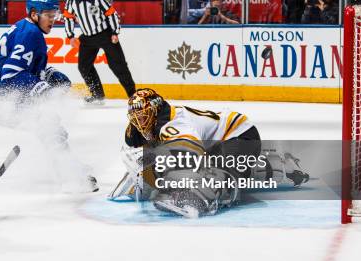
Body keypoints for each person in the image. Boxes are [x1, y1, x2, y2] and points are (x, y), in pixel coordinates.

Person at [0, 0, 98, 192]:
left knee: (49, 123)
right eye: (48, 15)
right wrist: (43, 87)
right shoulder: (30, 34)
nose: (53, 20)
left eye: (54, 14)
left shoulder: (28, 29)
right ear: (33, 14)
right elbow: (11, 73)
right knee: (48, 123)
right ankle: (69, 174)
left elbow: (22, 67)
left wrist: (47, 73)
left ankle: (67, 165)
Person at [109, 88, 260, 217]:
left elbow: (192, 156)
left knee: (218, 174)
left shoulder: (175, 124)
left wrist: (155, 165)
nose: (139, 122)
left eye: (142, 116)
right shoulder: (153, 122)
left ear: (155, 110)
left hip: (240, 135)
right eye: (135, 118)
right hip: (219, 142)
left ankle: (201, 198)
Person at [63, 0, 136, 104]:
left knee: (118, 65)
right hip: (87, 37)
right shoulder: (72, 0)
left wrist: (115, 32)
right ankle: (97, 95)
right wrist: (71, 35)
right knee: (84, 67)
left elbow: (112, 14)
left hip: (105, 35)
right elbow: (68, 17)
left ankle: (133, 95)